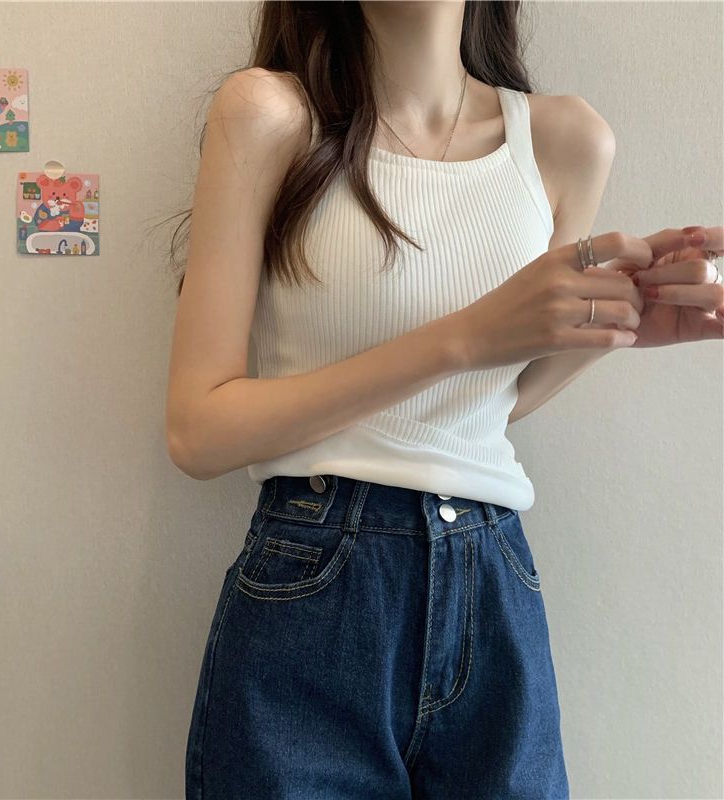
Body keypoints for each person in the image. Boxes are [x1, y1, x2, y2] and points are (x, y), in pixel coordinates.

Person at [164, 2, 724, 798]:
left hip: (493, 577)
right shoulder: (269, 114)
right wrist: (464, 336)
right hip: (314, 578)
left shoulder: (567, 140)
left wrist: (620, 328)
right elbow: (198, 431)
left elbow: (485, 408)